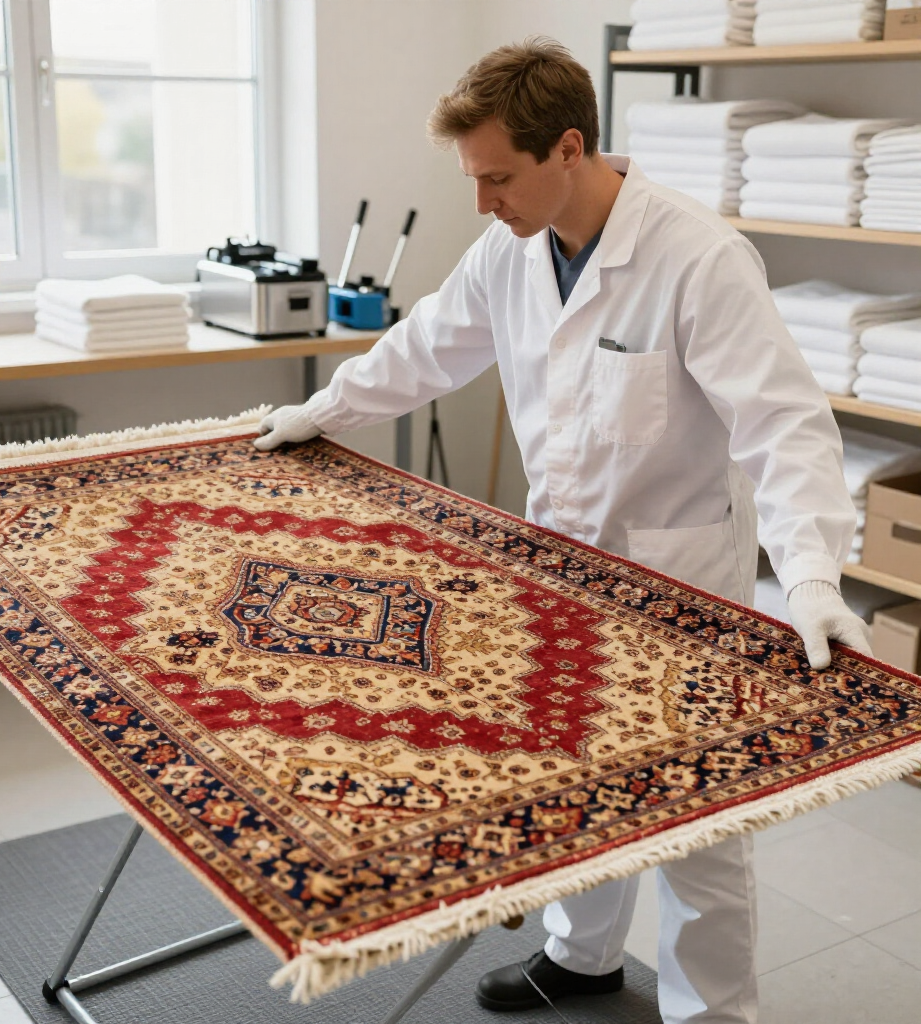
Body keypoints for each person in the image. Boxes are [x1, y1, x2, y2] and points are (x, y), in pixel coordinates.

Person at [255, 36, 870, 1024]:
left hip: (679, 576)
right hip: (564, 565)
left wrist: (809, 576)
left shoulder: (698, 257)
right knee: (577, 761)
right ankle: (581, 958)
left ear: (569, 149)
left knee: (695, 813)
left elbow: (782, 424)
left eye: (497, 177)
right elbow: (424, 349)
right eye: (473, 178)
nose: (481, 202)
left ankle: (714, 1012)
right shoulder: (509, 250)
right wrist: (319, 413)